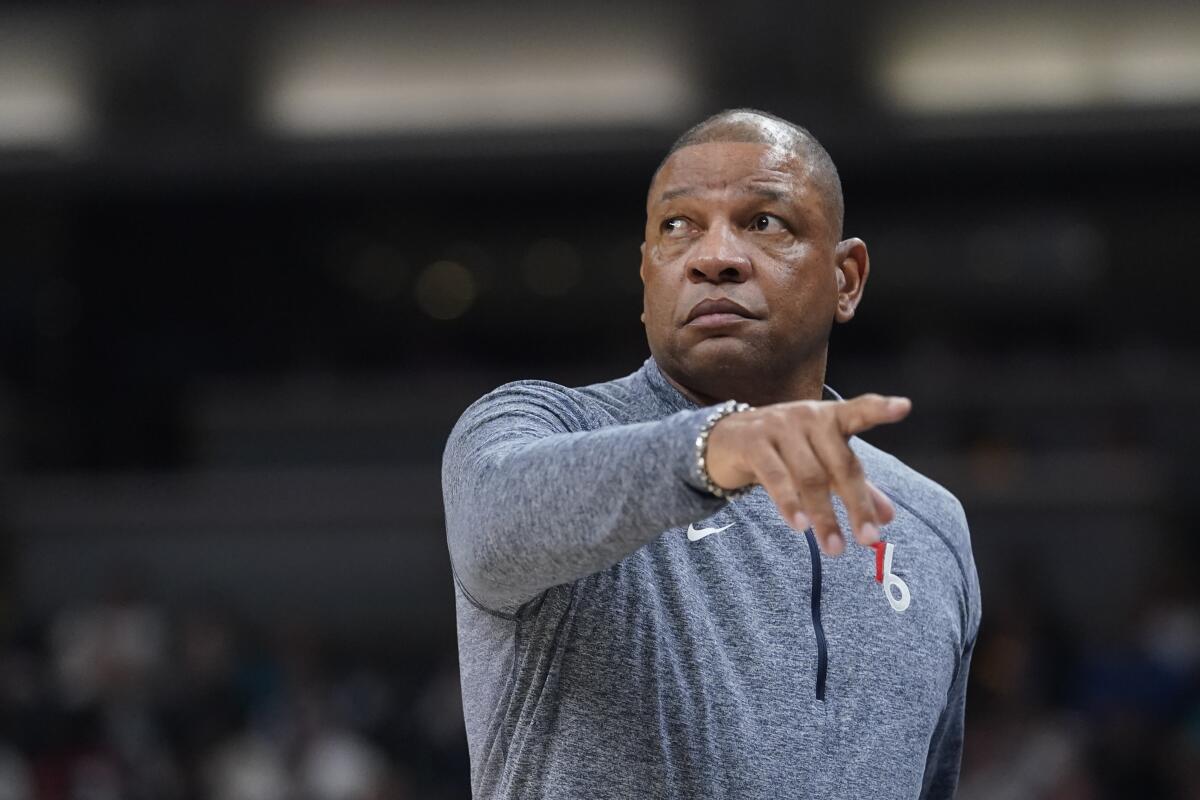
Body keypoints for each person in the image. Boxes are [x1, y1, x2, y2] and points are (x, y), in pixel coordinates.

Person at [442, 109, 981, 799]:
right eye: (678, 227)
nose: (713, 256)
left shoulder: (931, 525)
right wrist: (714, 445)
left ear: (846, 279)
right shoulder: (540, 426)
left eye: (764, 222)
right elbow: (495, 528)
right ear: (648, 277)